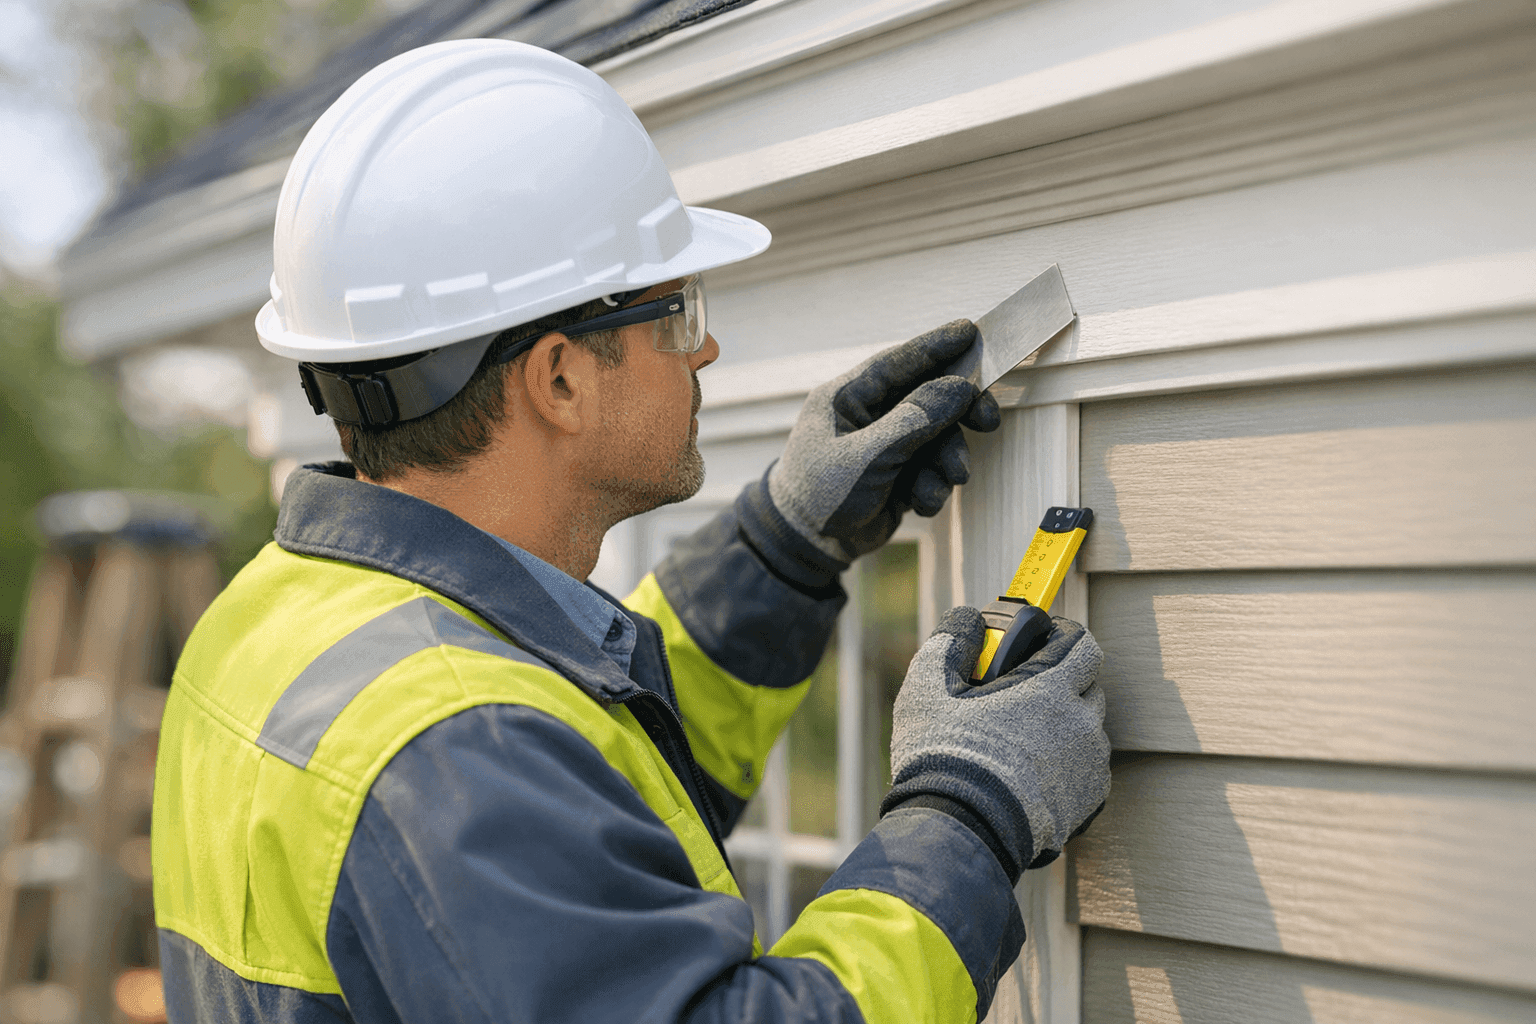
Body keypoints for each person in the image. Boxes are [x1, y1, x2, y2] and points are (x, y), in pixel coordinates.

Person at [151, 38, 1111, 1024]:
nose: (705, 346)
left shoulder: (267, 624)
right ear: (560, 378)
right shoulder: (457, 751)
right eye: (675, 311)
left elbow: (579, 773)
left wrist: (784, 549)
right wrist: (964, 810)